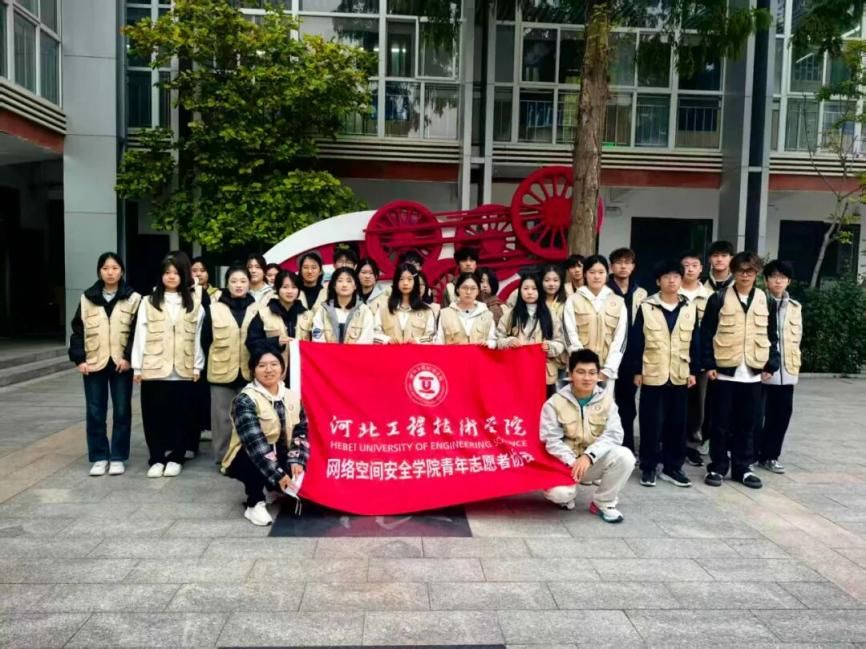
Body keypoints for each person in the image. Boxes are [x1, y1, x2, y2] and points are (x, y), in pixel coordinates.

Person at [700, 251, 780, 489]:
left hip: (753, 373)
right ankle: (717, 466)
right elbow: (706, 333)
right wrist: (708, 364)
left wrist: (772, 363)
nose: (745, 275)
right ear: (733, 272)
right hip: (724, 372)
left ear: (757, 273)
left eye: (750, 271)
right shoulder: (718, 298)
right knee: (720, 423)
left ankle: (743, 468)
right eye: (741, 271)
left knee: (748, 423)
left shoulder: (765, 300)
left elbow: (772, 335)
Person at [540, 349, 636, 523]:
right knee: (560, 494)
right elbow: (551, 440)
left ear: (598, 375)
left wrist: (589, 456)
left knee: (625, 456)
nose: (587, 378)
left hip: (592, 462)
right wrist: (572, 461)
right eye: (581, 372)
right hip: (564, 464)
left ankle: (603, 503)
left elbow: (614, 434)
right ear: (570, 374)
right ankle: (567, 496)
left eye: (592, 373)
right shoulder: (554, 403)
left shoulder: (607, 401)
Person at [627, 260, 700, 488]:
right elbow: (636, 341)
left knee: (677, 424)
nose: (672, 280)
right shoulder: (647, 306)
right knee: (651, 423)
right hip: (652, 372)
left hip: (679, 373)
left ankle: (672, 467)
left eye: (676, 276)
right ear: (658, 281)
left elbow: (695, 341)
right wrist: (637, 370)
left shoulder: (689, 307)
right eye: (667, 277)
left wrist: (693, 371)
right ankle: (648, 467)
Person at [132, 253, 205, 478]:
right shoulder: (148, 302)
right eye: (167, 273)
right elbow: (140, 334)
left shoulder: (194, 303)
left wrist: (197, 366)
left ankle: (176, 457)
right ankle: (156, 457)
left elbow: (197, 337)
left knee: (181, 417)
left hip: (183, 369)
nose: (171, 277)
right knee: (154, 416)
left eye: (176, 273)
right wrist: (138, 367)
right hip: (154, 368)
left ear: (183, 275)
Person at [69, 252, 141, 477]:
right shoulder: (87, 298)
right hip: (94, 363)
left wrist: (128, 358)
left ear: (122, 271)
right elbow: (78, 331)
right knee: (95, 412)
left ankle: (118, 456)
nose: (110, 273)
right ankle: (99, 456)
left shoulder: (133, 298)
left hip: (121, 364)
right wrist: (80, 359)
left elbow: (137, 333)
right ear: (99, 271)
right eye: (106, 268)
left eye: (115, 268)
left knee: (122, 411)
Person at [224, 347, 309, 526]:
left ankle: (273, 487)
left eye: (274, 364)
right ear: (253, 370)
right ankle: (254, 503)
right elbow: (254, 444)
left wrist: (297, 460)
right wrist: (278, 474)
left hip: (282, 452)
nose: (269, 370)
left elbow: (301, 430)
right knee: (253, 457)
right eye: (262, 365)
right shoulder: (245, 399)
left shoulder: (292, 396)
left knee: (306, 461)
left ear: (282, 368)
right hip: (249, 456)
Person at [201, 265, 259, 463]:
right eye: (234, 281)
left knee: (248, 417)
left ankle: (246, 458)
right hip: (220, 370)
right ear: (226, 284)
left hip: (249, 371)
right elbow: (205, 340)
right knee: (222, 419)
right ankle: (223, 457)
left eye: (243, 281)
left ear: (249, 283)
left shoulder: (258, 309)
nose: (238, 285)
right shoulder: (214, 309)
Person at [757, 260, 802, 474]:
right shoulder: (758, 302)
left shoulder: (795, 307)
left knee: (781, 415)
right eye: (774, 276)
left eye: (782, 277)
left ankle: (771, 456)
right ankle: (752, 454)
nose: (778, 281)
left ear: (788, 281)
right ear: (766, 280)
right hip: (763, 370)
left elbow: (797, 339)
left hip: (787, 371)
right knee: (756, 416)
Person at [563, 255, 628, 389]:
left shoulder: (618, 302)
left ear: (607, 274)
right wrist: (583, 366)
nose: (596, 276)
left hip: (606, 371)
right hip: (579, 369)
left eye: (601, 272)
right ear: (585, 274)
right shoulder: (573, 300)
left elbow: (620, 338)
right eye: (592, 272)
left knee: (604, 402)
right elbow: (569, 334)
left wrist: (609, 369)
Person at [496, 273, 565, 397]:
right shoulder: (510, 315)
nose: (530, 292)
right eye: (526, 288)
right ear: (520, 291)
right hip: (516, 371)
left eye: (534, 289)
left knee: (543, 406)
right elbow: (497, 340)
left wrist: (550, 347)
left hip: (543, 373)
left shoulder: (550, 315)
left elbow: (560, 341)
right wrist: (508, 342)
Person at [606, 248, 647, 454]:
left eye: (627, 262)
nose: (623, 266)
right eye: (619, 262)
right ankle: (604, 447)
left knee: (627, 404)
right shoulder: (604, 290)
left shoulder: (641, 293)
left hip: (631, 355)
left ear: (633, 266)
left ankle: (627, 446)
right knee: (603, 402)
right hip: (608, 353)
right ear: (611, 266)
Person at [679, 251, 714, 467]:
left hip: (699, 357)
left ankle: (691, 445)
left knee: (698, 405)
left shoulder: (710, 297)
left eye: (694, 265)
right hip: (675, 357)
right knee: (674, 402)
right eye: (686, 265)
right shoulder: (670, 291)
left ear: (701, 269)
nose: (690, 269)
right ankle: (671, 442)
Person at [247, 270, 313, 370]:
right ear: (277, 288)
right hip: (273, 372)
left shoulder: (308, 315)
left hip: (302, 372)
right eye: (285, 287)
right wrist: (275, 342)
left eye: (294, 287)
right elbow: (252, 344)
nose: (290, 291)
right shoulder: (263, 314)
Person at [374, 262, 436, 343]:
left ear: (415, 282)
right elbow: (374, 333)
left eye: (409, 279)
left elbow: (432, 337)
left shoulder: (426, 311)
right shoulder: (383, 308)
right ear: (396, 282)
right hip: (389, 350)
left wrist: (417, 341)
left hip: (416, 351)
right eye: (401, 279)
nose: (405, 283)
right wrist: (387, 340)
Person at [311, 267, 375, 343]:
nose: (344, 285)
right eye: (340, 281)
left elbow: (366, 340)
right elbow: (317, 340)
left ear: (355, 286)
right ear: (334, 285)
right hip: (326, 351)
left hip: (356, 351)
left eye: (349, 281)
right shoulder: (323, 311)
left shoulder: (364, 311)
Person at [435, 271, 497, 346]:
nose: (468, 292)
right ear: (457, 289)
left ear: (478, 291)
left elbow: (493, 340)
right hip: (452, 353)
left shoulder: (487, 314)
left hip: (478, 353)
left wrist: (488, 343)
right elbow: (439, 342)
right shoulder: (445, 314)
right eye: (464, 288)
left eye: (473, 288)